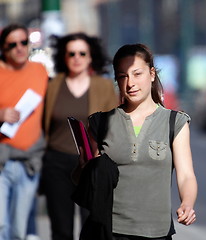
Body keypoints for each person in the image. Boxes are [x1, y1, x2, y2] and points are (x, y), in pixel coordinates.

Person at [74, 43, 198, 240]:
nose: (130, 83)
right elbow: (88, 181)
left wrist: (187, 203)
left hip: (157, 232)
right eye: (123, 76)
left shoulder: (176, 122)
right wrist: (83, 167)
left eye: (137, 74)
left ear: (151, 74)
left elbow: (186, 175)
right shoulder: (100, 123)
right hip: (109, 232)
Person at [41, 32, 119, 240]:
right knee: (61, 230)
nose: (77, 58)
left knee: (92, 227)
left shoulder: (103, 87)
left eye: (82, 53)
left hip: (91, 165)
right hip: (56, 164)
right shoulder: (52, 85)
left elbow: (113, 126)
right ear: (64, 57)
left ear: (90, 56)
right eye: (71, 53)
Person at [0, 23, 48, 240]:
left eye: (24, 42)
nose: (19, 48)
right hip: (1, 161)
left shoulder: (40, 71)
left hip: (30, 161)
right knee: (1, 225)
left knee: (19, 229)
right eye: (12, 44)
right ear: (3, 48)